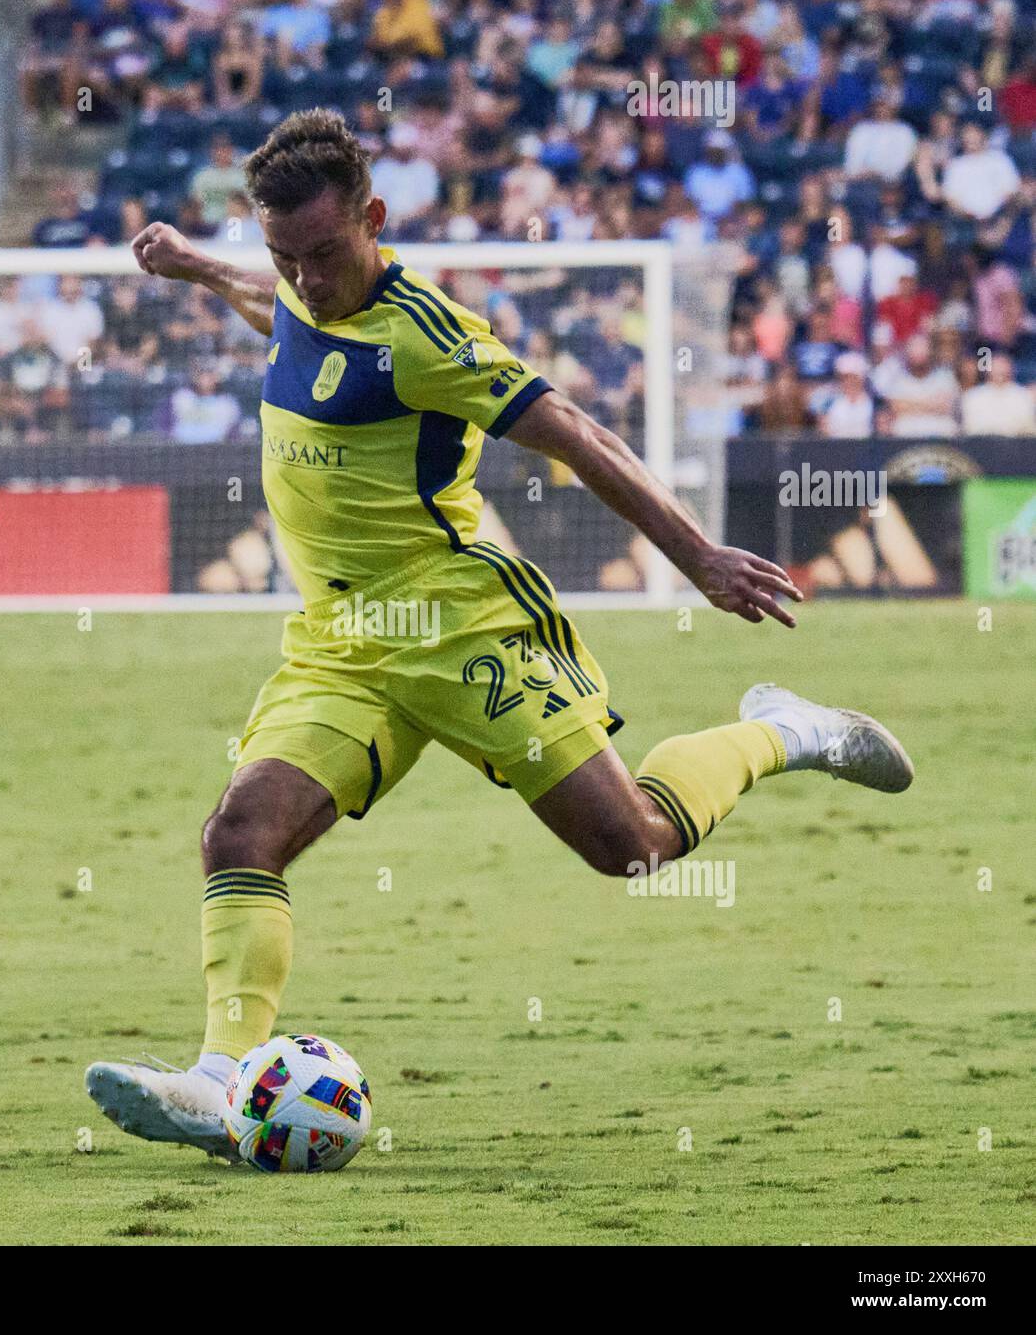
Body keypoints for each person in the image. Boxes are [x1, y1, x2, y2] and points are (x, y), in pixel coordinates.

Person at [85, 108, 915, 1161]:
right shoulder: (297, 292)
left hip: (463, 630)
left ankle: (784, 731)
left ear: (374, 219)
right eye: (283, 255)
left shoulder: (425, 338)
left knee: (635, 849)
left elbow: (576, 431)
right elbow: (270, 305)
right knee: (238, 833)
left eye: (325, 255)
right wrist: (198, 263)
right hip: (342, 643)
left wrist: (699, 555)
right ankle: (215, 1079)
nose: (304, 279)